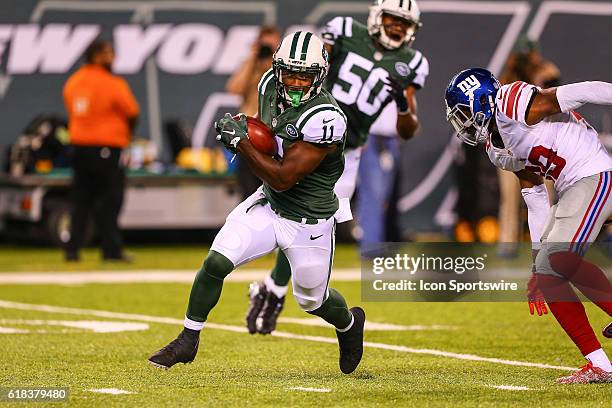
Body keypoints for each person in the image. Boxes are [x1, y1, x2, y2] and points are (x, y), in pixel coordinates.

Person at [149, 32, 366, 375]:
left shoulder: (326, 118)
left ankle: (349, 324)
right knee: (217, 261)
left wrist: (243, 144)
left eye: (303, 76)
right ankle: (188, 338)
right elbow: (267, 136)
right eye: (289, 73)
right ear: (277, 69)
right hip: (270, 202)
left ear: (319, 76)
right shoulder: (267, 83)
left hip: (308, 221)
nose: (294, 82)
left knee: (313, 300)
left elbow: (284, 175)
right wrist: (243, 129)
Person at [246, 0, 429, 335]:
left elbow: (409, 130)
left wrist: (403, 105)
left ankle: (274, 288)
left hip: (349, 150)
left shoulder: (411, 62)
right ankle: (274, 289)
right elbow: (307, 69)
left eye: (404, 22)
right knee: (295, 212)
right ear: (377, 16)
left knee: (313, 221)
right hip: (310, 136)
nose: (397, 27)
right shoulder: (345, 30)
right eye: (392, 18)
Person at [445, 68, 612, 383]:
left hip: (595, 172)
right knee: (550, 272)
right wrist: (536, 264)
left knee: (560, 259)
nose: (462, 121)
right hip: (574, 186)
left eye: (464, 112)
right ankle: (599, 363)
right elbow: (535, 195)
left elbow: (585, 89)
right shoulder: (497, 149)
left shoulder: (511, 103)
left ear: (481, 101)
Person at [63, 40, 139, 262]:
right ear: (95, 55)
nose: (112, 57)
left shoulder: (73, 81)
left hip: (78, 146)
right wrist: (126, 134)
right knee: (110, 200)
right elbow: (132, 112)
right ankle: (111, 250)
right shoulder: (112, 83)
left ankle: (72, 249)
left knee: (80, 199)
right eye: (107, 53)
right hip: (107, 147)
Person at [496, 37, 561, 257]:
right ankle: (508, 242)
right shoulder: (508, 78)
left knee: (546, 195)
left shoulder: (544, 73)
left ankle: (549, 240)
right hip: (513, 145)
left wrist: (540, 73)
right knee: (510, 196)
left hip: (541, 144)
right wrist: (516, 69)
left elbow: (554, 90)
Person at [226, 26, 281, 200]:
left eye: (272, 46)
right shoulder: (250, 66)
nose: (267, 50)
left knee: (274, 189)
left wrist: (274, 59)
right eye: (265, 45)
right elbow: (234, 89)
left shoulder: (282, 68)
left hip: (273, 136)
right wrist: (252, 58)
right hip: (250, 136)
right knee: (248, 191)